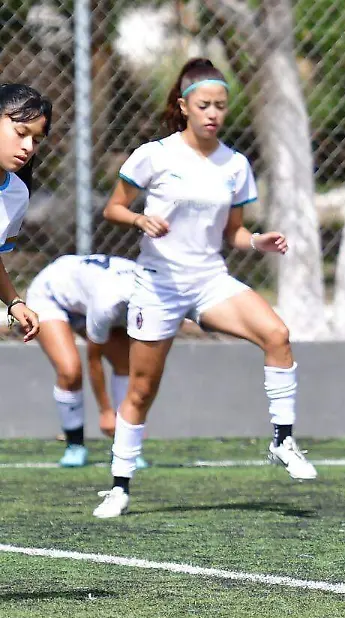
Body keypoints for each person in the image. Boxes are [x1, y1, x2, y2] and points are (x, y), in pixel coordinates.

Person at [92, 58, 315, 519]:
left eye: (220, 106)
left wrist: (256, 241)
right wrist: (139, 218)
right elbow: (112, 207)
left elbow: (232, 232)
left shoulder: (235, 164)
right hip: (159, 286)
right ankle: (119, 486)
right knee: (142, 388)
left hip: (209, 281)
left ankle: (283, 440)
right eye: (204, 105)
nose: (213, 113)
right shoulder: (155, 154)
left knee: (277, 335)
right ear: (184, 107)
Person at [26, 254, 139, 467]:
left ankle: (124, 446)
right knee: (70, 371)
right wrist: (106, 412)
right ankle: (75, 445)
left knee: (128, 364)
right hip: (52, 297)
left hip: (85, 298)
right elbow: (94, 359)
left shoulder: (157, 294)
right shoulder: (108, 302)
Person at [0, 84, 51, 345]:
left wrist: (14, 301)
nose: (28, 147)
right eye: (21, 133)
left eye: (36, 140)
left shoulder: (17, 193)